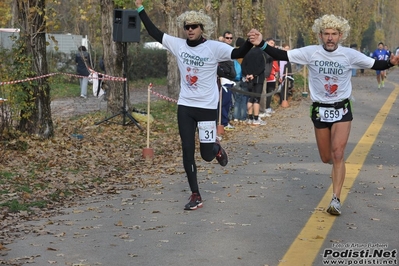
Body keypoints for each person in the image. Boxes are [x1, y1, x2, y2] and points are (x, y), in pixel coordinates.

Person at [248, 14, 399, 215]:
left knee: (338, 153)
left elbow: (374, 64)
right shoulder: (311, 52)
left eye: (334, 34)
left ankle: (336, 199)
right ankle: (335, 166)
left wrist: (391, 63)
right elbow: (283, 55)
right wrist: (261, 44)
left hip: (342, 108)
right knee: (326, 156)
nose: (330, 38)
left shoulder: (349, 54)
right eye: (326, 34)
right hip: (320, 109)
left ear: (340, 35)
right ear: (320, 35)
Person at [134, 0, 255, 210]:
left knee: (206, 155)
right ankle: (195, 194)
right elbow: (154, 32)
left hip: (207, 108)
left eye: (194, 26)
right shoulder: (178, 45)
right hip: (186, 107)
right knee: (187, 150)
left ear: (202, 28)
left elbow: (237, 53)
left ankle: (216, 148)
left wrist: (252, 42)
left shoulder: (214, 47)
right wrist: (140, 9)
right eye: (187, 27)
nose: (190, 30)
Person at [241, 46, 268, 126]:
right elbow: (262, 67)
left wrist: (247, 75)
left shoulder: (248, 53)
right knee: (257, 98)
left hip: (249, 78)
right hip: (258, 79)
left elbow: (243, 65)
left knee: (250, 98)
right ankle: (256, 118)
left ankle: (250, 118)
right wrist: (254, 75)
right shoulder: (262, 53)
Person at [217, 31, 236, 130]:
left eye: (231, 38)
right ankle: (223, 122)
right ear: (223, 38)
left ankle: (226, 120)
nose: (229, 40)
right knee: (224, 103)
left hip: (231, 79)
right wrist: (225, 73)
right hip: (224, 80)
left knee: (229, 103)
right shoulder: (221, 49)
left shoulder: (231, 49)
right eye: (227, 38)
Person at [232, 37, 249, 122]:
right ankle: (242, 117)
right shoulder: (245, 54)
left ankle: (235, 116)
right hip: (243, 78)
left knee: (236, 99)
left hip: (234, 78)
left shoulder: (233, 53)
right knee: (244, 98)